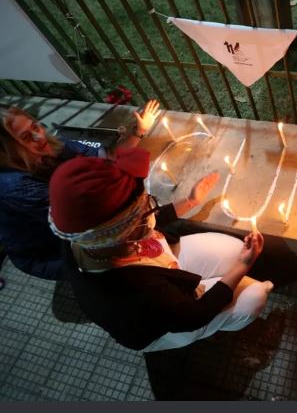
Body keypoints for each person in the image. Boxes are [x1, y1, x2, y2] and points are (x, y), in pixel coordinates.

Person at [47, 148, 273, 351]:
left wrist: (190, 201)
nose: (151, 209)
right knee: (254, 296)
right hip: (167, 324)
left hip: (165, 270)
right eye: (146, 208)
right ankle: (221, 323)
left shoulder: (81, 235)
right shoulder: (136, 293)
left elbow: (142, 220)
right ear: (124, 232)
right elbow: (194, 316)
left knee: (234, 249)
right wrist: (242, 266)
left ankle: (206, 280)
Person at [0, 100, 160, 279]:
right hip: (51, 252)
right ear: (5, 151)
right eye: (25, 137)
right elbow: (95, 218)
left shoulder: (52, 145)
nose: (39, 136)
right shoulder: (14, 186)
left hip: (84, 232)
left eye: (35, 126)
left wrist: (139, 131)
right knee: (126, 273)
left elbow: (107, 159)